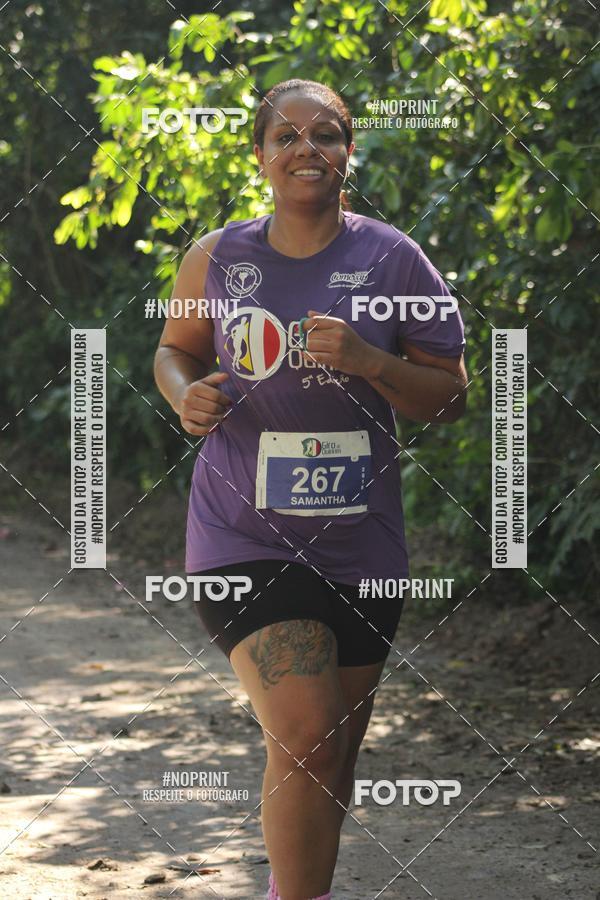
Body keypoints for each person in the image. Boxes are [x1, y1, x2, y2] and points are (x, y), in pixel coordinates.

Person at [154, 79, 467, 900]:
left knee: (329, 754)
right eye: (286, 136)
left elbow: (451, 395)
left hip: (362, 544)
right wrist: (184, 394)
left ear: (348, 152)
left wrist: (369, 360)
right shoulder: (216, 257)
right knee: (308, 733)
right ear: (259, 156)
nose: (307, 150)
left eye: (325, 135)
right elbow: (175, 349)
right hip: (241, 532)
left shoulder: (393, 258)